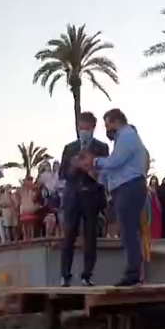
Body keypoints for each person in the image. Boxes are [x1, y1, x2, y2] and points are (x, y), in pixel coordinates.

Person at [83, 108, 149, 286]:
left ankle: (133, 273)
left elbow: (115, 162)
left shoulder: (127, 136)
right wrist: (98, 174)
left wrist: (95, 162)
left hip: (130, 187)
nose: (107, 129)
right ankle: (134, 272)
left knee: (128, 231)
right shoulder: (122, 139)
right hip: (125, 188)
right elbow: (114, 168)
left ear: (116, 121)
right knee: (128, 231)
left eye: (108, 124)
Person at [57, 112, 110, 285]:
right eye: (81, 128)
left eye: (87, 128)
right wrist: (74, 166)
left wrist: (88, 167)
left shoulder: (102, 148)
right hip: (73, 197)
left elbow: (103, 174)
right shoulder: (69, 148)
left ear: (93, 128)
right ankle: (65, 275)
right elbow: (62, 174)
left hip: (92, 196)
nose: (84, 131)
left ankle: (87, 275)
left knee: (90, 237)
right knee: (69, 237)